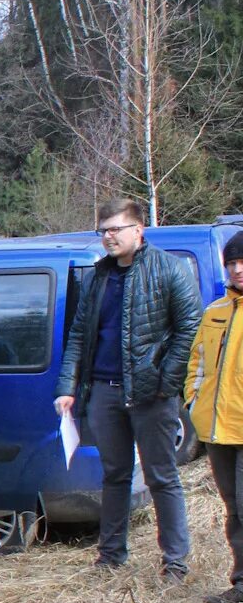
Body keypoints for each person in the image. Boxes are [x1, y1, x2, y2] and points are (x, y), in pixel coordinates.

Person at [54, 199, 203, 581]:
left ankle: (175, 563)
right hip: (104, 391)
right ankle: (111, 556)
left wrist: (165, 381)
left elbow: (190, 328)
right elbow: (78, 335)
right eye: (103, 229)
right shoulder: (97, 277)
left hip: (152, 394)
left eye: (115, 229)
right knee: (114, 475)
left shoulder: (169, 269)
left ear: (139, 230)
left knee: (161, 476)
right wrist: (68, 386)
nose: (108, 236)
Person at [186, 232, 243, 603]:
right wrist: (193, 402)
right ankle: (240, 584)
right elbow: (197, 365)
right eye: (232, 263)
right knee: (234, 510)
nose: (237, 269)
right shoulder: (215, 312)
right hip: (219, 430)